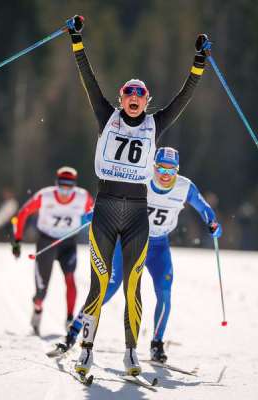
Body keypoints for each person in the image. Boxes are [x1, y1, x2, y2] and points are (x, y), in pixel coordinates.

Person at [65, 14, 209, 377]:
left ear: (147, 101)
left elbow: (183, 99)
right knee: (99, 284)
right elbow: (88, 81)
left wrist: (199, 63)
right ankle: (86, 349)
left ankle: (131, 351)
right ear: (120, 99)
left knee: (133, 286)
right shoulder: (106, 117)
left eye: (139, 95)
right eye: (128, 94)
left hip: (136, 217)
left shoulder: (154, 124)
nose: (133, 99)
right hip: (106, 209)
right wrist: (77, 40)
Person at [57, 147, 222, 363]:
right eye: (161, 168)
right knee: (109, 288)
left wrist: (212, 223)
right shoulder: (141, 181)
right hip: (129, 240)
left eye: (171, 171)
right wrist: (94, 214)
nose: (165, 175)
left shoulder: (184, 187)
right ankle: (74, 331)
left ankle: (156, 343)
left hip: (158, 245)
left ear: (177, 171)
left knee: (164, 290)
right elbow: (114, 199)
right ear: (153, 166)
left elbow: (204, 207)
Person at [12, 166, 93, 335]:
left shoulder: (82, 197)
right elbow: (23, 213)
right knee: (42, 291)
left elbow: (96, 215)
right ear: (56, 184)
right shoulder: (45, 196)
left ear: (74, 185)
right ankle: (38, 309)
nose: (65, 190)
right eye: (61, 185)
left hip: (68, 243)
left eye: (69, 186)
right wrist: (17, 241)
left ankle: (70, 318)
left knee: (70, 279)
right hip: (46, 242)